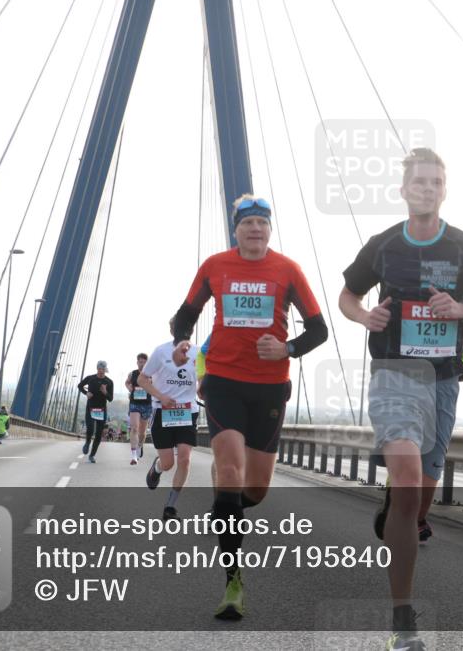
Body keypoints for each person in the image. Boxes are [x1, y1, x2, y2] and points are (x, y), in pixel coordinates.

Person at [339, 148, 463, 650]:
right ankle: (402, 619)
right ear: (404, 189)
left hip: (443, 381)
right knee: (410, 484)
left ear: (444, 190)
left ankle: (397, 508)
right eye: (420, 182)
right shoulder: (383, 245)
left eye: (436, 182)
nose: (427, 189)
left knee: (418, 499)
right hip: (394, 375)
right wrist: (363, 316)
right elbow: (348, 295)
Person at [170, 195, 327, 620]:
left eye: (262, 223)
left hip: (270, 388)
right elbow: (184, 314)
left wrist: (288, 348)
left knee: (253, 490)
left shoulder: (287, 269)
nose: (255, 229)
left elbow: (319, 330)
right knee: (232, 468)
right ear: (235, 230)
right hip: (222, 381)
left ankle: (224, 506)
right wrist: (182, 342)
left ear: (269, 230)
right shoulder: (215, 266)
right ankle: (233, 582)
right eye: (247, 224)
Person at [139, 334, 200, 521]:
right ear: (173, 328)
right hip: (163, 410)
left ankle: (170, 507)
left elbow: (203, 380)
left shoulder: (199, 352)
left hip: (188, 412)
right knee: (168, 464)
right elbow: (142, 380)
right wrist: (161, 396)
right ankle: (157, 468)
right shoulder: (161, 351)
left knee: (184, 458)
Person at [78, 361, 114, 463]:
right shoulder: (91, 378)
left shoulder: (109, 382)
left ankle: (92, 455)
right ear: (97, 368)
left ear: (105, 370)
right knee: (90, 429)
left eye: (103, 369)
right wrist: (86, 393)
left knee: (98, 434)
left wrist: (105, 392)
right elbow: (80, 386)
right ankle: (87, 442)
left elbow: (110, 398)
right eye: (99, 369)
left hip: (101, 410)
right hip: (90, 408)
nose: (101, 371)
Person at [126, 353, 152, 464]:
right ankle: (134, 455)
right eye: (140, 362)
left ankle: (140, 445)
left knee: (142, 432)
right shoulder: (132, 374)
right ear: (137, 362)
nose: (142, 364)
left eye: (144, 362)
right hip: (134, 403)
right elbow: (127, 382)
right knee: (134, 428)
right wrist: (130, 388)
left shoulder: (152, 374)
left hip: (147, 404)